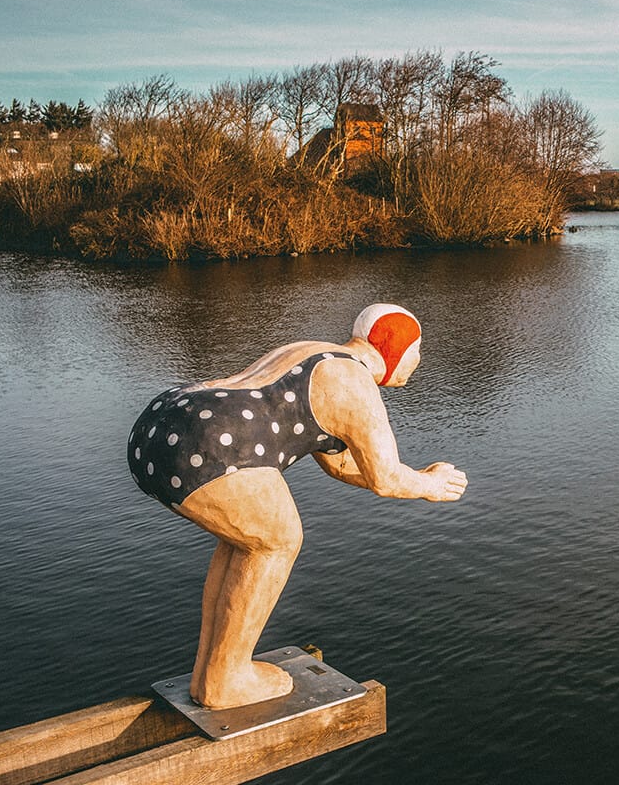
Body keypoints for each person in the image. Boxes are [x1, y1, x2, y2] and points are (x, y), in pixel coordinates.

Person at [128, 304, 467, 709]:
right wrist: (430, 484)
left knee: (246, 541)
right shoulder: (354, 383)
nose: (419, 360)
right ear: (394, 347)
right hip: (209, 443)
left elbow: (342, 463)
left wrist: (412, 475)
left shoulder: (314, 351)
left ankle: (210, 671)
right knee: (277, 542)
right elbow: (385, 478)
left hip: (162, 427)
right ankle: (227, 681)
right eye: (417, 350)